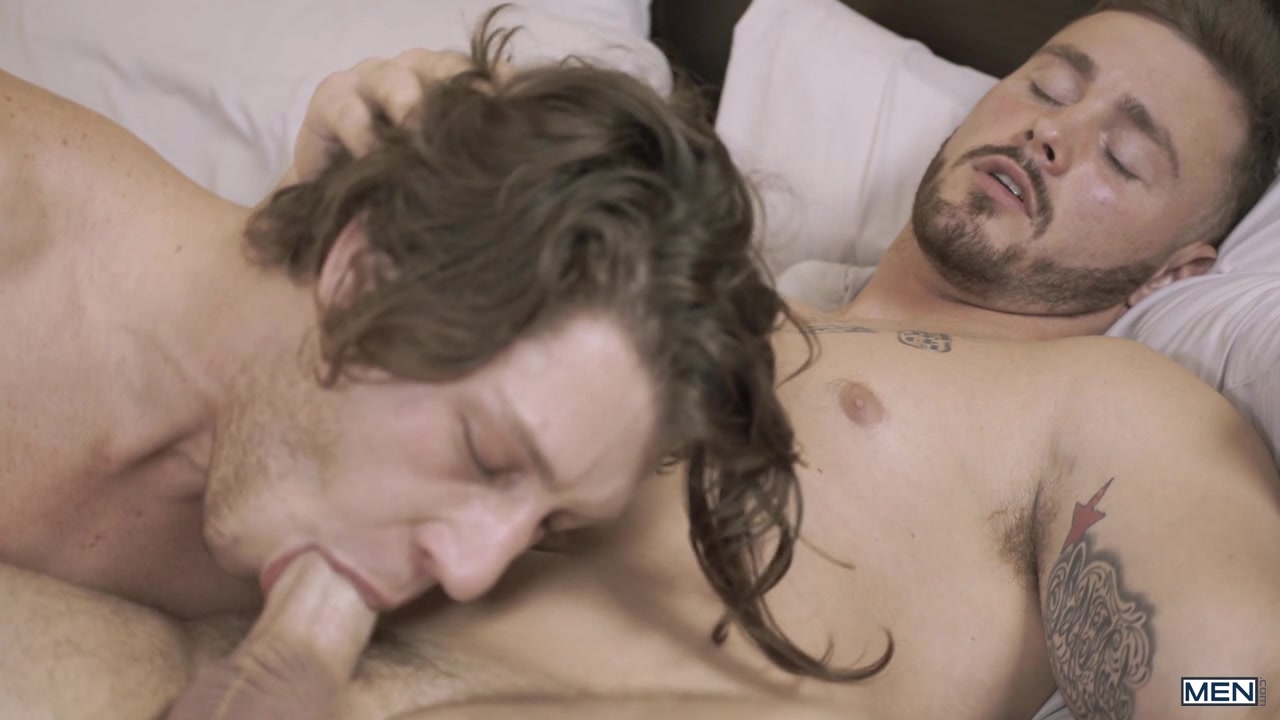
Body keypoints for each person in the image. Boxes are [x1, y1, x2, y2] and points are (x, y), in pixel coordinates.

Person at [0, 13, 808, 719]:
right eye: (485, 454)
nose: (471, 571)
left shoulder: (301, 478)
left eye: (547, 523)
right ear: (359, 270)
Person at [799, 0, 1280, 342]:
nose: (1050, 128)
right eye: (1050, 89)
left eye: (1122, 155)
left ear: (1170, 274)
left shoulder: (1114, 421)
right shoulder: (790, 297)